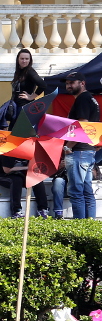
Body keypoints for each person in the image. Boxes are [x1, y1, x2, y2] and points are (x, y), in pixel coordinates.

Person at [62, 71, 100, 219]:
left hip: (79, 152)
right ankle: (89, 227)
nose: (68, 85)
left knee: (76, 192)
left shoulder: (83, 99)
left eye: (72, 82)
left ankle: (81, 226)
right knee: (86, 191)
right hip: (88, 151)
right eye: (67, 83)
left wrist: (68, 146)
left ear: (82, 83)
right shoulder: (90, 99)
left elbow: (83, 125)